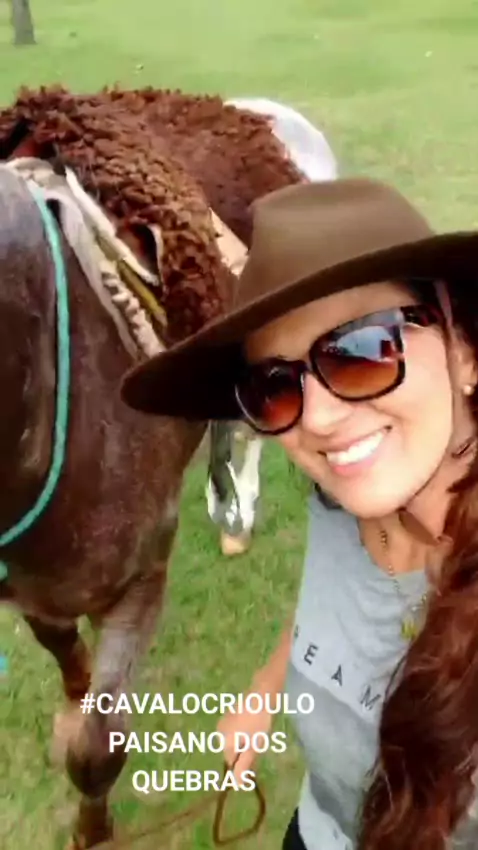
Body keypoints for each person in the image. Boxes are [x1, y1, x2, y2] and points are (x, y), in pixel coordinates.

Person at [120, 177, 478, 850]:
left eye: (362, 351)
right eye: (274, 386)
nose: (316, 419)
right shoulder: (344, 500)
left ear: (464, 350)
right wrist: (263, 692)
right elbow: (327, 598)